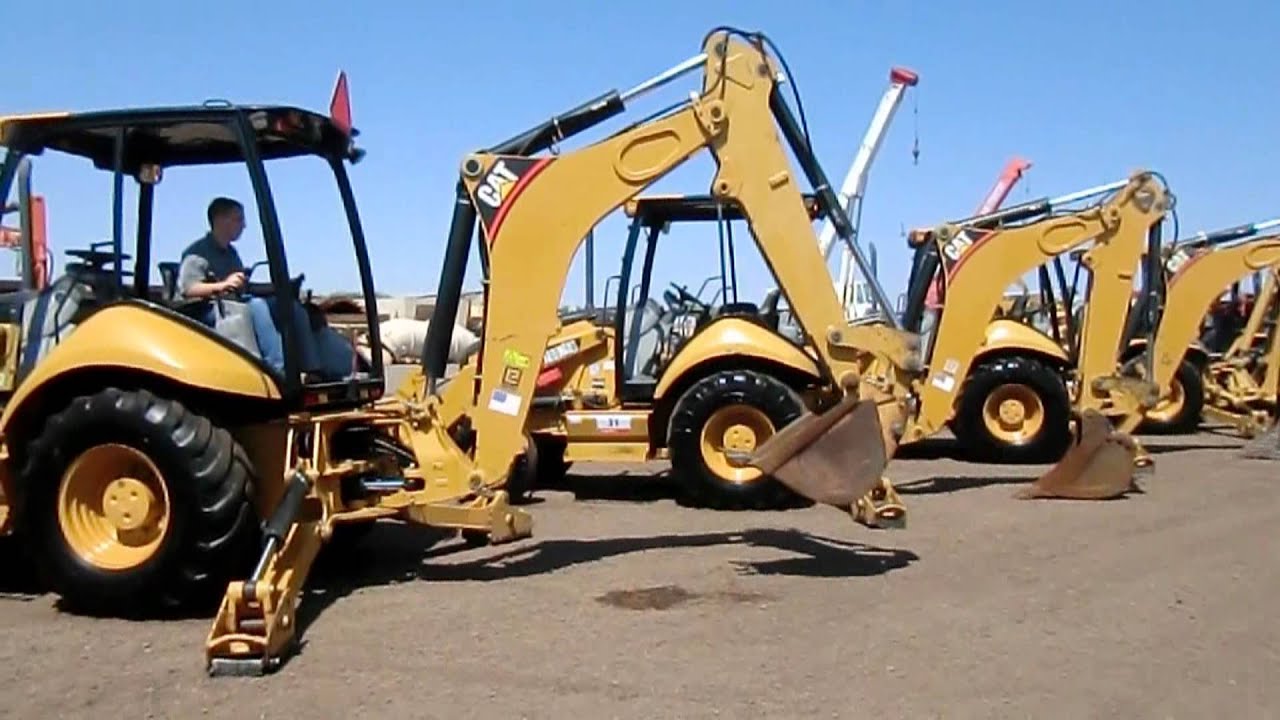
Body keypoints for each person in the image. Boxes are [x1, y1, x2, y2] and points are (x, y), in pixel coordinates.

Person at [177, 196, 356, 380]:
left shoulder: (231, 253)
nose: (244, 225)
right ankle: (280, 371)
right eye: (238, 219)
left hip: (235, 305)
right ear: (220, 220)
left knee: (291, 307)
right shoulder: (197, 253)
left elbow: (243, 287)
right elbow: (188, 289)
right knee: (257, 307)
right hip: (208, 311)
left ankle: (312, 369)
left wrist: (280, 288)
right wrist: (223, 285)